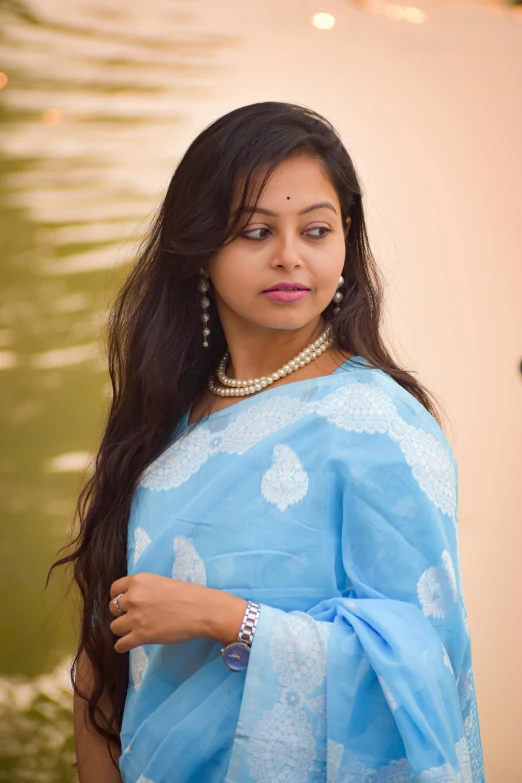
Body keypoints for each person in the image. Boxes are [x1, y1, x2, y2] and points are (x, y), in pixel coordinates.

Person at [51, 101, 485, 783]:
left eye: (316, 229)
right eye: (255, 231)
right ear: (200, 250)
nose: (290, 256)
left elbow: (424, 667)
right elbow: (104, 651)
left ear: (346, 243)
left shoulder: (380, 427)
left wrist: (229, 619)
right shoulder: (164, 412)